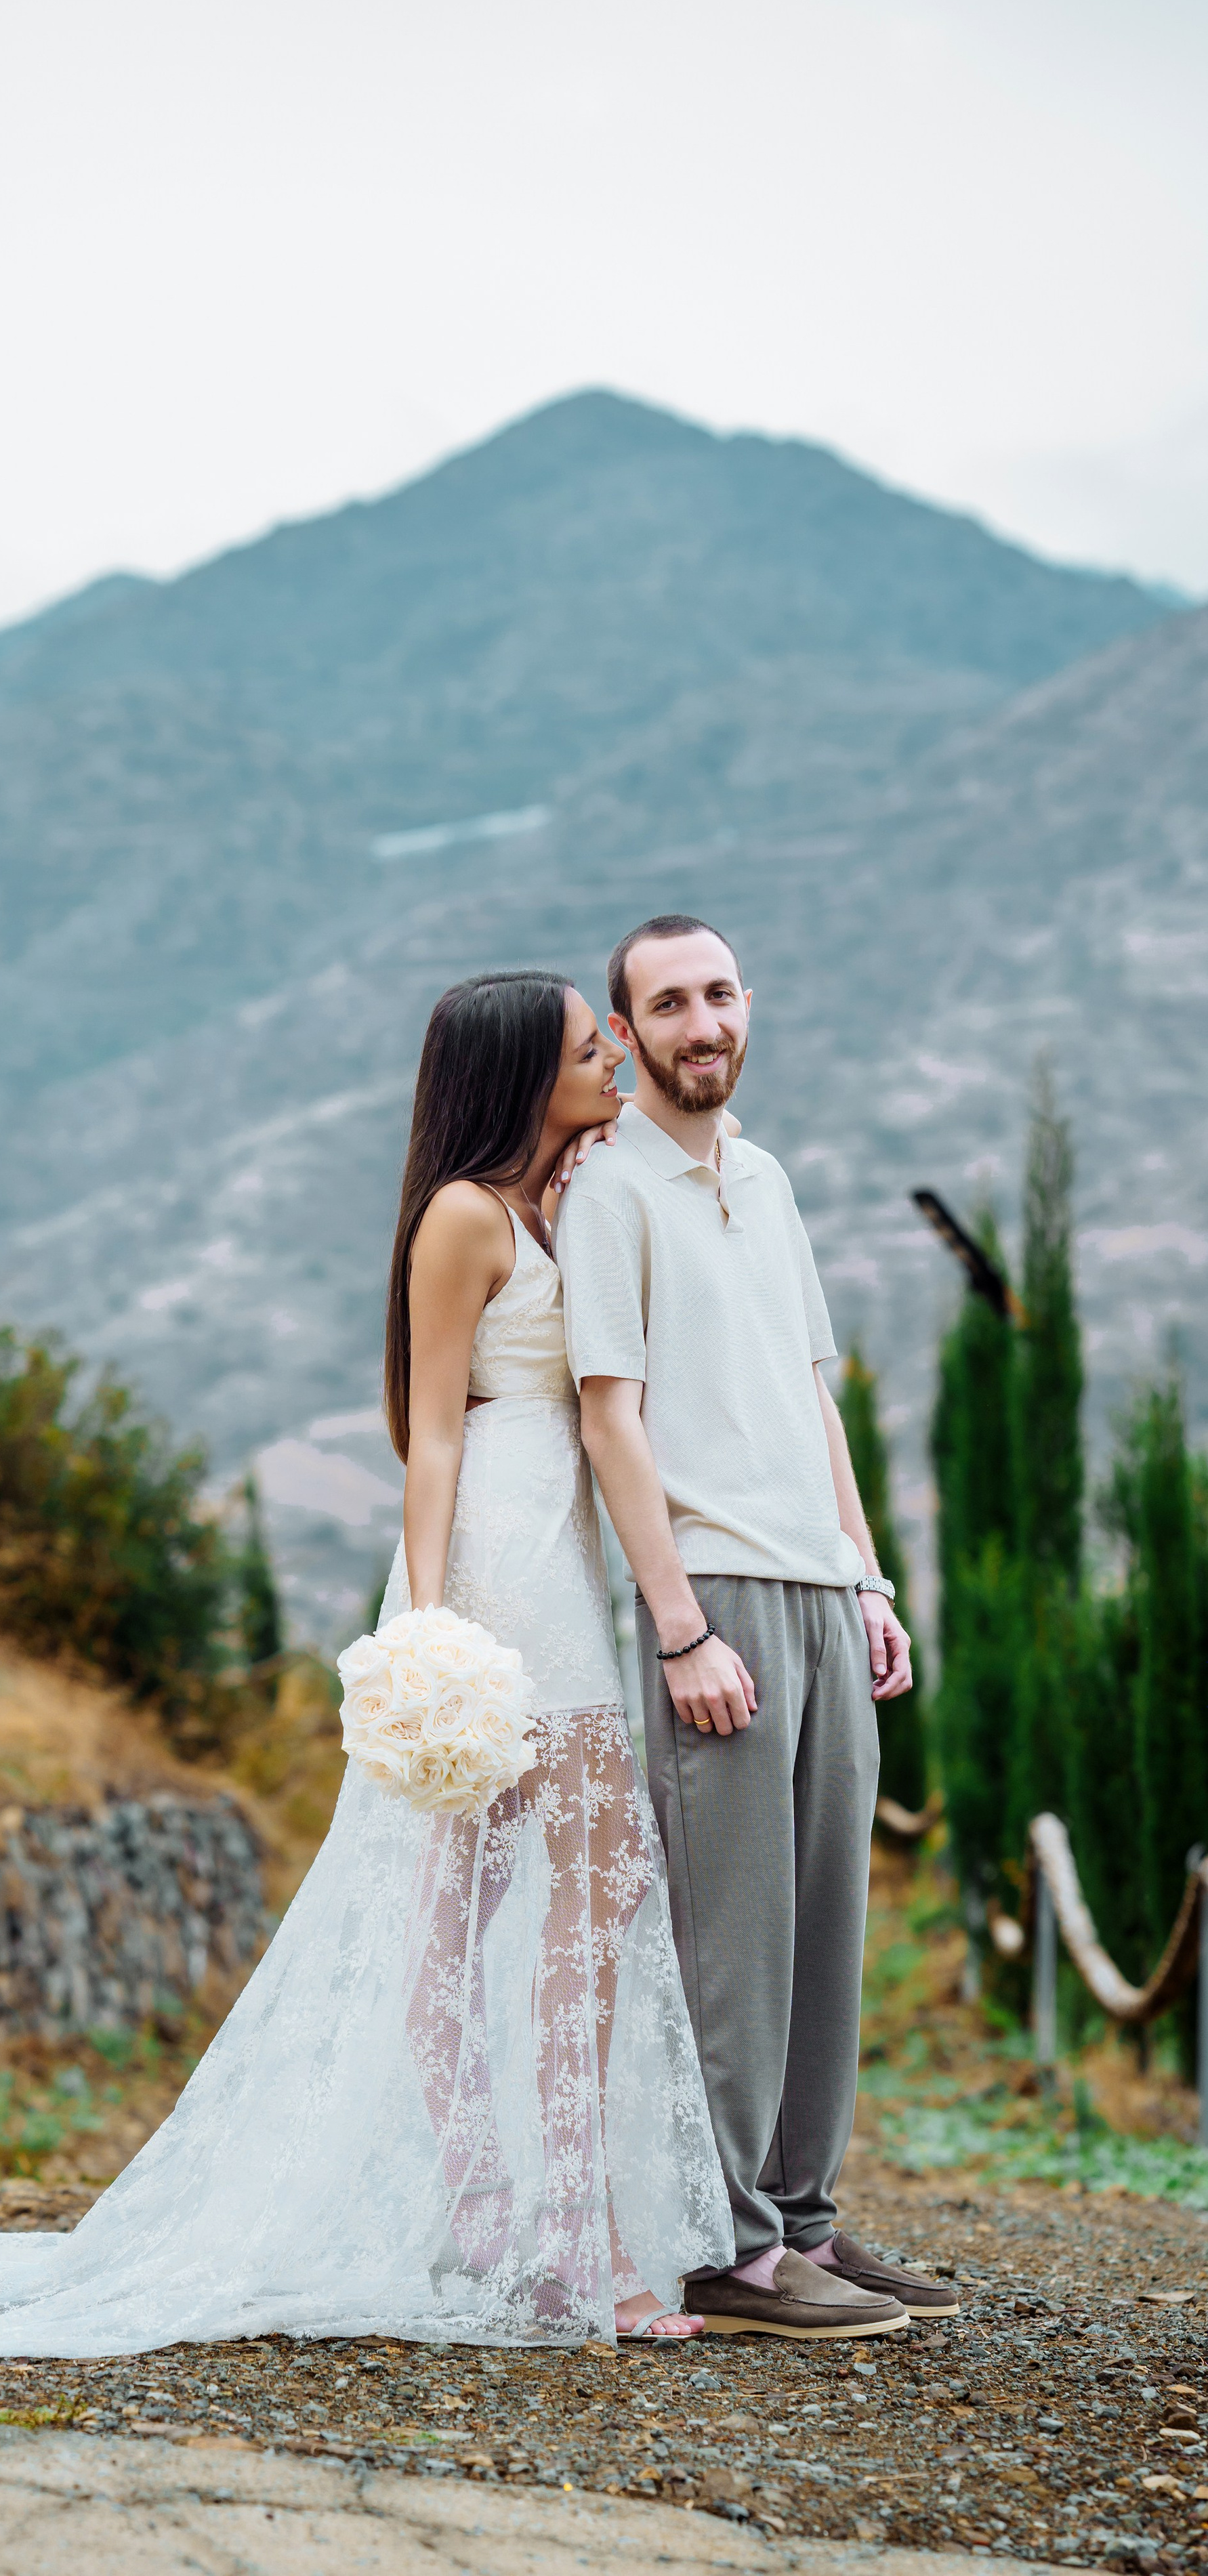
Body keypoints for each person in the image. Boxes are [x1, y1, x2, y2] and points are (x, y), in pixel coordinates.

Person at [0, 969, 730, 2366]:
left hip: (571, 1560)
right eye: (582, 1042)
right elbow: (428, 1436)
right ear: (509, 1075)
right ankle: (513, 2227)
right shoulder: (462, 1219)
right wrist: (426, 1628)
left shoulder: (571, 1199)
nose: (611, 1053)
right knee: (442, 1912)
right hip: (497, 1564)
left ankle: (565, 2228)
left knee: (583, 1916)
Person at [555, 914, 956, 2340]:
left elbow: (809, 1394)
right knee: (729, 1942)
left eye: (717, 992)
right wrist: (675, 1628)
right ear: (627, 1033)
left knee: (819, 1933)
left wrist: (865, 1579)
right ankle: (724, 2246)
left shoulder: (769, 1181)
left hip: (813, 1587)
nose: (700, 1021)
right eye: (665, 1004)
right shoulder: (606, 1190)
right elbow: (609, 1414)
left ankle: (805, 2227)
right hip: (709, 1595)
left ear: (747, 1005)